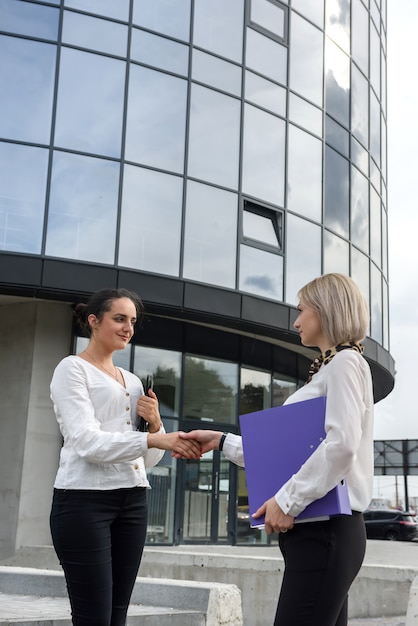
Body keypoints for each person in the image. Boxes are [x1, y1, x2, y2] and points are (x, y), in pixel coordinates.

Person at [177, 273, 374, 626]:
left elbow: (342, 445)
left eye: (302, 310)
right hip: (322, 532)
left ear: (326, 310)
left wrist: (287, 501)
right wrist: (221, 441)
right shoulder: (333, 366)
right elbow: (288, 455)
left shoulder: (345, 362)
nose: (296, 321)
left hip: (325, 531)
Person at [49, 288, 200, 626]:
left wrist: (156, 425)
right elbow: (88, 443)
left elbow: (146, 462)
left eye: (132, 321)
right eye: (119, 318)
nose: (128, 327)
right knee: (94, 617)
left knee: (118, 616)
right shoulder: (72, 369)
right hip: (83, 502)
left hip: (132, 501)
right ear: (93, 320)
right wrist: (156, 437)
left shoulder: (132, 382)